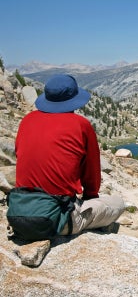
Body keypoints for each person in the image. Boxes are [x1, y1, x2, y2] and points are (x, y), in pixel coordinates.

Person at [15, 74, 125, 235]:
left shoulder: (27, 120)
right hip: (56, 219)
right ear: (73, 100)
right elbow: (91, 173)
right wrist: (90, 197)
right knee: (118, 203)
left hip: (19, 213)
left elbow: (22, 156)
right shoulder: (81, 125)